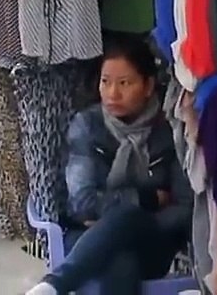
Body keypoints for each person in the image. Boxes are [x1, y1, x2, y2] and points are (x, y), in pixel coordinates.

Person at [26, 34, 191, 295]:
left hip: (152, 240)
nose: (113, 93)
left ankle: (55, 285)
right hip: (85, 239)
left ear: (148, 86)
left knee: (127, 220)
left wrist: (134, 220)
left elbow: (184, 207)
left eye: (125, 83)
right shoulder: (87, 126)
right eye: (106, 82)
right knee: (120, 261)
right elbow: (82, 202)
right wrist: (145, 200)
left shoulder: (168, 130)